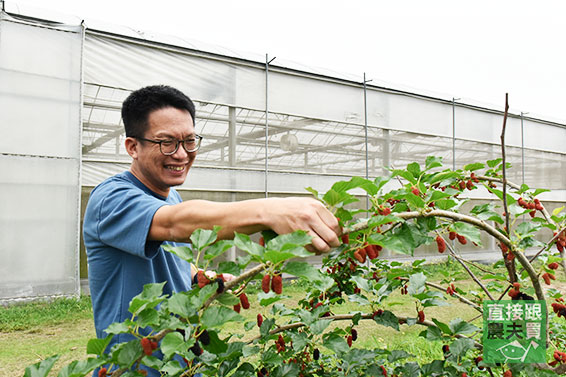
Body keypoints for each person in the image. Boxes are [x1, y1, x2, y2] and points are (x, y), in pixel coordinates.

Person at [83, 85, 341, 376]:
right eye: (167, 142)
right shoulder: (111, 199)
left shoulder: (171, 196)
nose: (181, 154)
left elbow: (170, 253)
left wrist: (199, 276)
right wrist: (271, 211)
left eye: (189, 141)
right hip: (136, 368)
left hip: (181, 361)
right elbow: (175, 224)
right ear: (133, 146)